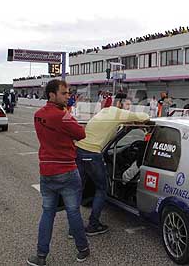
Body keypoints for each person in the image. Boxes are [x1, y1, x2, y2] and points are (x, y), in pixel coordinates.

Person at [27, 80, 90, 266]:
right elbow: (81, 134)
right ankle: (83, 250)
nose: (68, 96)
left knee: (47, 213)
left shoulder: (38, 115)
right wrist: (67, 113)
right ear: (52, 95)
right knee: (73, 212)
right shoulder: (63, 116)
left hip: (46, 170)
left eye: (68, 93)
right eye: (64, 93)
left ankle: (40, 256)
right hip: (66, 170)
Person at [75, 99, 149, 235]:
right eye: (127, 104)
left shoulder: (103, 112)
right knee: (102, 189)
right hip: (92, 153)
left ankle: (73, 228)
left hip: (79, 151)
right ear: (119, 104)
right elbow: (144, 117)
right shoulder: (117, 112)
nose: (129, 108)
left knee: (78, 189)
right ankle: (93, 225)